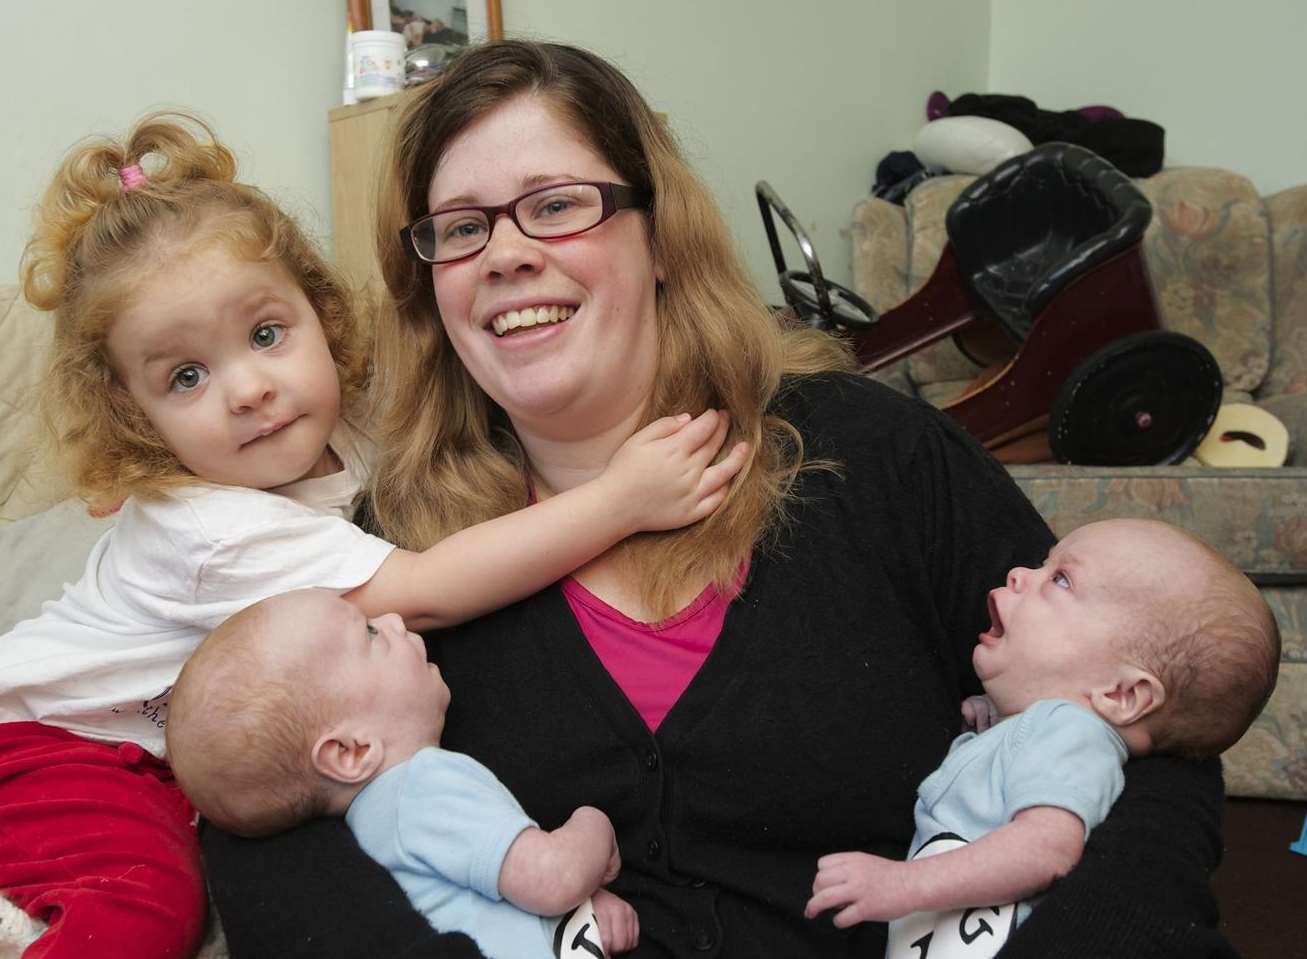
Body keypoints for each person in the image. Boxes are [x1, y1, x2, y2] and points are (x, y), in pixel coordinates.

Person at [200, 41, 1237, 958]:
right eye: (460, 227)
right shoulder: (398, 556)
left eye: (555, 205)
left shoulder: (871, 455)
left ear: (655, 237)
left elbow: (1148, 725)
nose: (506, 253)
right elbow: (257, 816)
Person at [0, 111, 745, 959]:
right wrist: (619, 499)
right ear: (135, 416)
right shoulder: (208, 527)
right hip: (50, 743)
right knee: (143, 905)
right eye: (187, 376)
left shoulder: (338, 434)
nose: (249, 389)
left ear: (323, 316)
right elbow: (425, 589)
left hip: (141, 746)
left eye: (267, 334)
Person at [804, 518, 1280, 956]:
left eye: (1061, 579)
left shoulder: (1069, 730)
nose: (1018, 574)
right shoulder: (1045, 731)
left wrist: (903, 885)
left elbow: (1045, 848)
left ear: (1122, 693)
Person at [167, 589, 642, 958]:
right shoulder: (425, 785)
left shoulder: (371, 829)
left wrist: (580, 917)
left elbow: (493, 910)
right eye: (370, 635)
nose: (394, 620)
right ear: (351, 752)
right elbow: (552, 878)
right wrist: (593, 824)